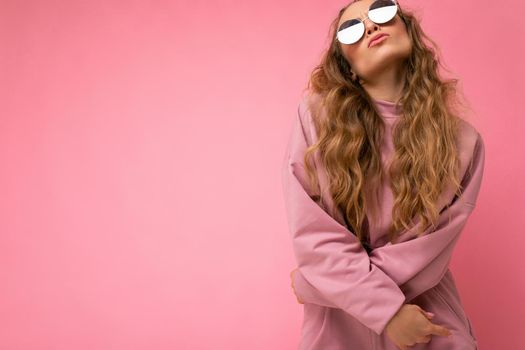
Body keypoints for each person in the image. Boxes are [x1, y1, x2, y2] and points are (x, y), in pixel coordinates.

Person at [280, 0, 485, 349]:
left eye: (382, 11)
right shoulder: (316, 120)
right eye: (352, 28)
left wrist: (319, 284)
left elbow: (430, 251)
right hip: (337, 327)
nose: (371, 26)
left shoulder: (465, 143)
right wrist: (386, 310)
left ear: (409, 31)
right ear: (348, 68)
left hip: (427, 320)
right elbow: (313, 232)